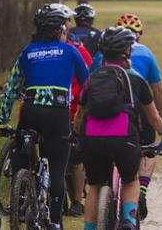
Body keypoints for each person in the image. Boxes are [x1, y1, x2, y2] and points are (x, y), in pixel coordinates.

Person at [0, 3, 89, 230]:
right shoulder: (70, 51)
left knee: (21, 152)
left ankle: (19, 196)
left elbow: (11, 89)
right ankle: (56, 222)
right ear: (61, 30)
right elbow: (88, 85)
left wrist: (2, 119)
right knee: (57, 169)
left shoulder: (27, 52)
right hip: (58, 113)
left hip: (31, 111)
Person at [75, 26, 162, 230]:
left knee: (94, 186)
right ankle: (129, 221)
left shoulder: (92, 78)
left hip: (91, 137)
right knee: (130, 180)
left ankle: (89, 228)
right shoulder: (136, 78)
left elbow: (80, 114)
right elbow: (154, 116)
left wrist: (76, 137)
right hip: (123, 137)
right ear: (127, 51)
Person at [63, 23, 93, 217]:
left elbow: (88, 81)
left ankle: (76, 201)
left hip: (75, 110)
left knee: (75, 157)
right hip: (53, 110)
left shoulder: (79, 51)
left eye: (64, 30)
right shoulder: (40, 50)